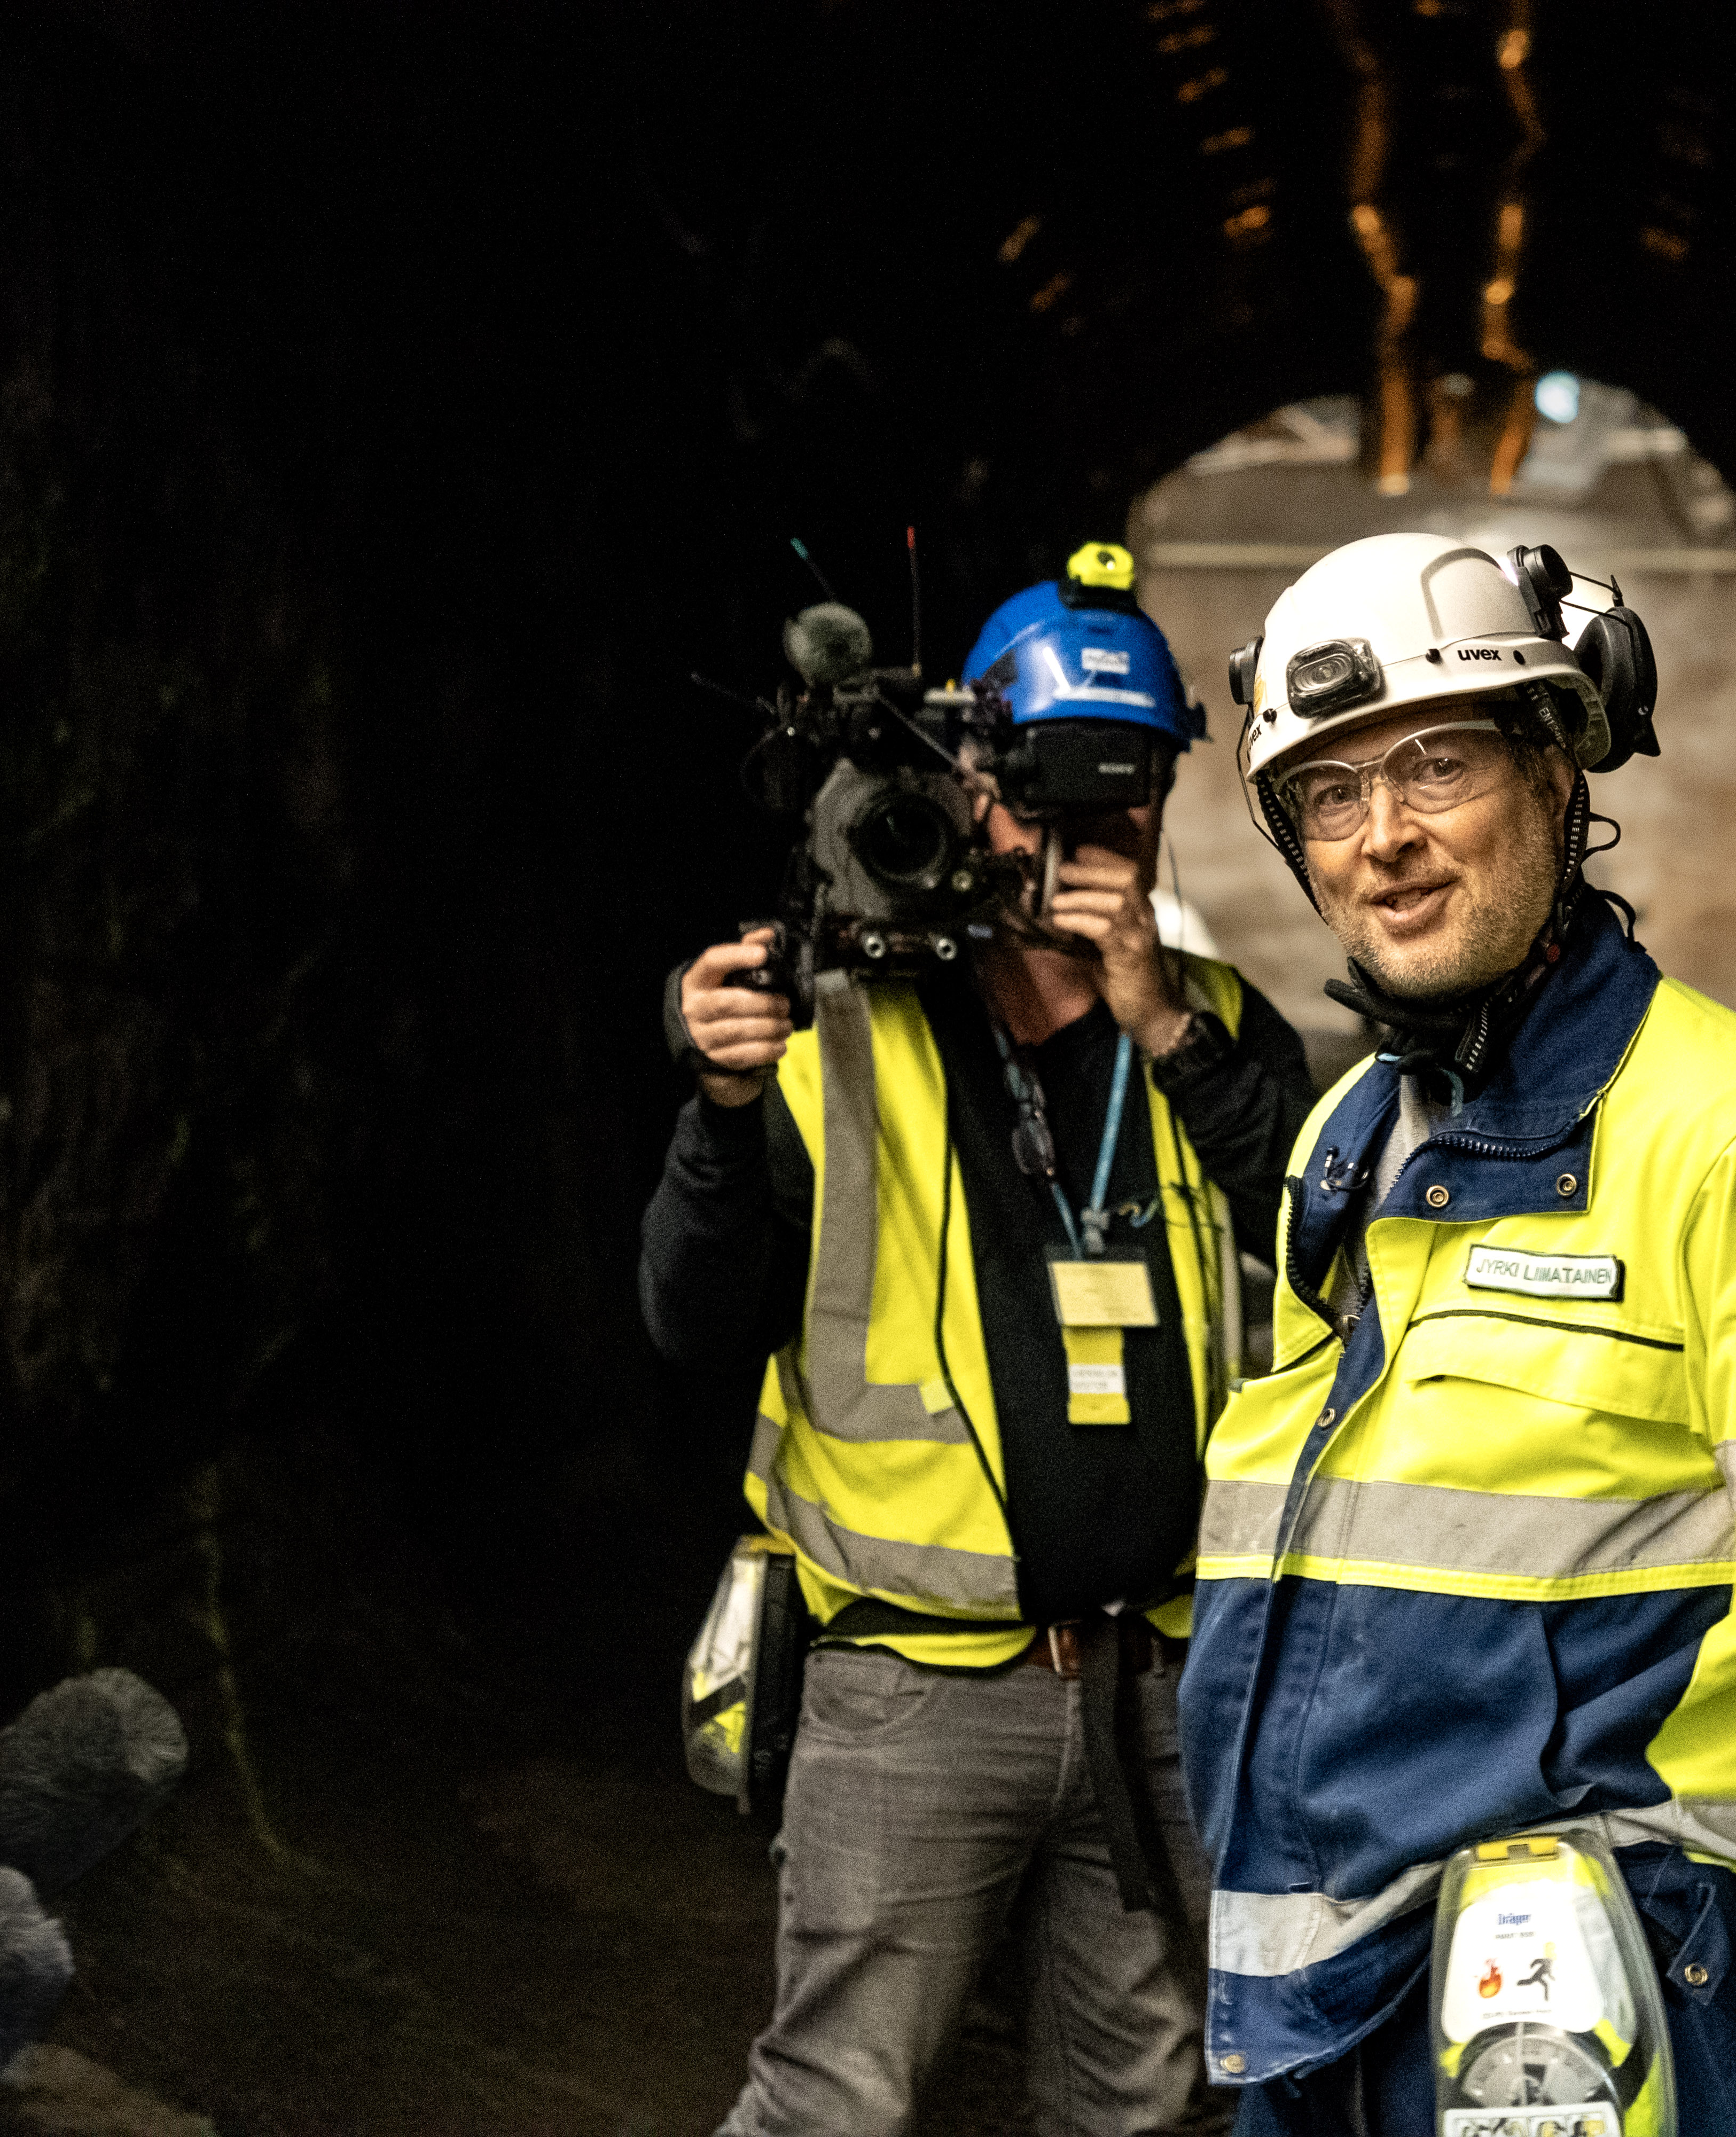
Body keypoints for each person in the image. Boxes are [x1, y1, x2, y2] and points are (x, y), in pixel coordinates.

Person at [1179, 533, 1736, 2135]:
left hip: (1611, 1992)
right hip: (1327, 1976)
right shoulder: (1348, 1140)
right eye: (1329, 799)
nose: (1386, 841)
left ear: (1558, 774)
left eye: (1435, 766)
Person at [641, 545, 1315, 2137]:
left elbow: (1340, 1259)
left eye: (1120, 805)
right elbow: (689, 1322)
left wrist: (1161, 1025)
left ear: (1161, 808)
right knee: (836, 2103)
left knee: (1145, 2110)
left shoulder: (1211, 1025)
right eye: (1035, 802)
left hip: (1158, 1684)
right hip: (910, 1691)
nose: (1072, 846)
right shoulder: (834, 1029)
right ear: (961, 787)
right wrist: (722, 1112)